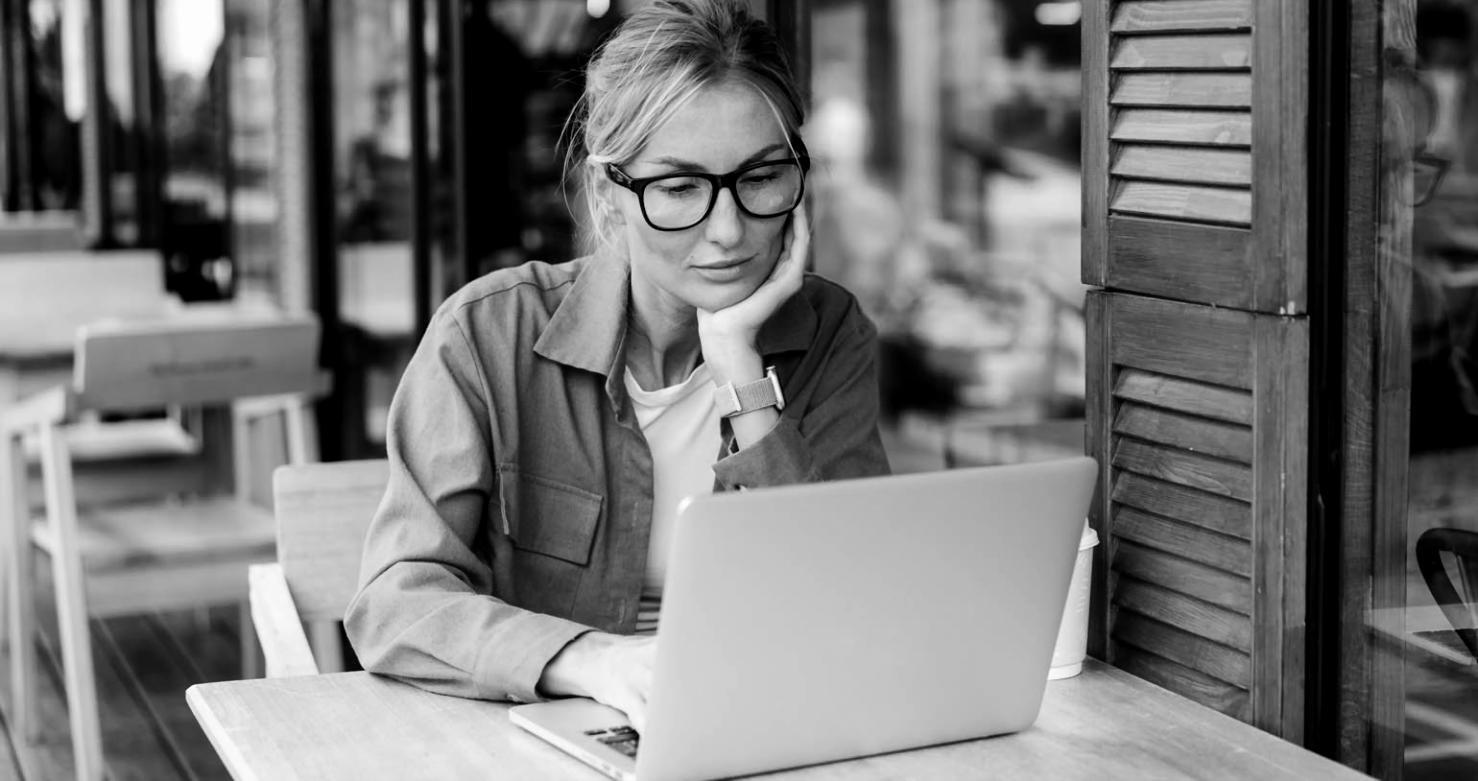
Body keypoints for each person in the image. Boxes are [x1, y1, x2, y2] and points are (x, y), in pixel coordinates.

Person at [344, 0, 890, 733]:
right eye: (678, 188)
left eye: (761, 177)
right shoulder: (488, 336)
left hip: (764, 728)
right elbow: (396, 602)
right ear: (610, 194)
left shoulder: (830, 336)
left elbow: (851, 601)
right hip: (539, 739)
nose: (728, 231)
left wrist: (739, 369)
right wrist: (597, 660)